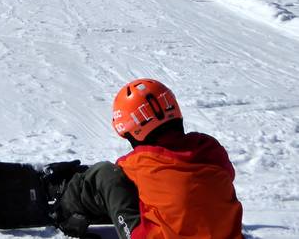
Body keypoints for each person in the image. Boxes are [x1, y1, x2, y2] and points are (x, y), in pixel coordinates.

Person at [51, 79, 243, 238]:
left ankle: (64, 212)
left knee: (104, 174)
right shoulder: (208, 146)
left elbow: (116, 180)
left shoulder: (139, 162)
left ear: (133, 131)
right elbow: (228, 174)